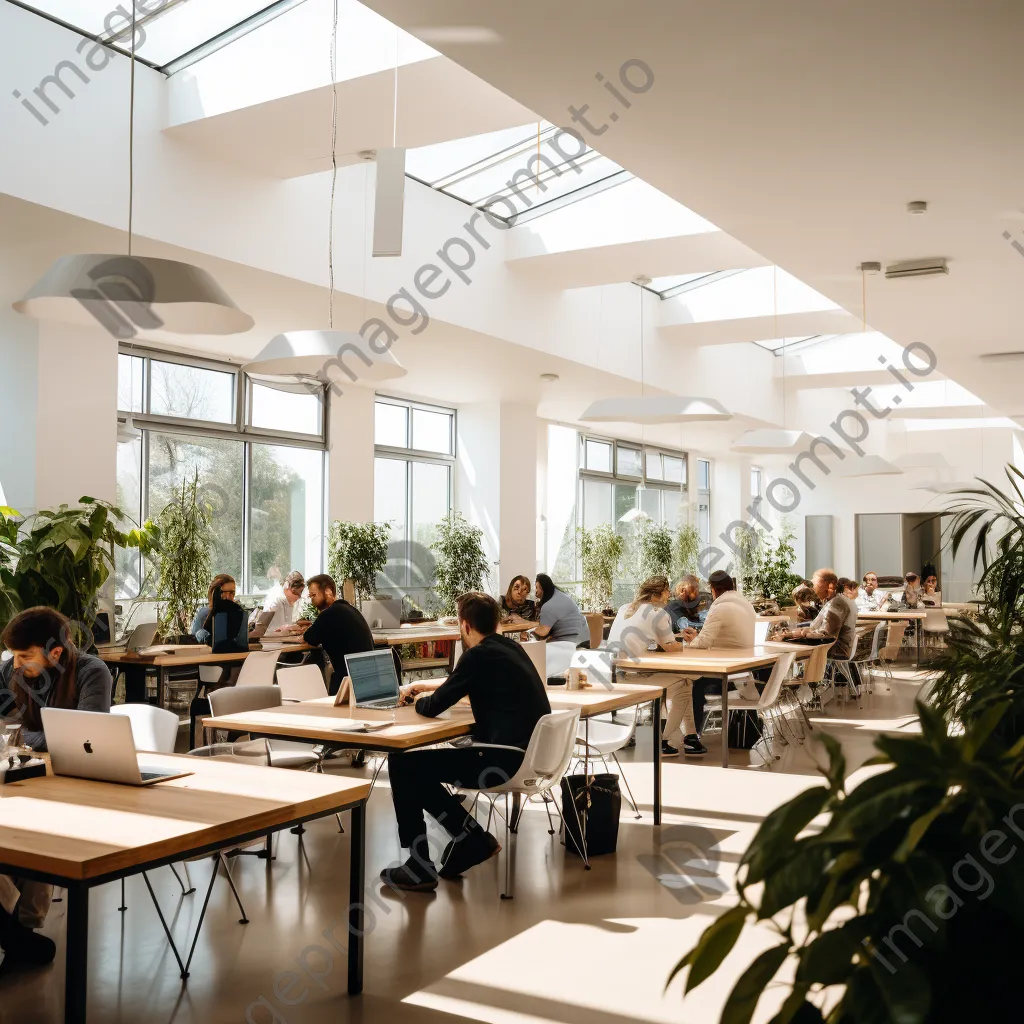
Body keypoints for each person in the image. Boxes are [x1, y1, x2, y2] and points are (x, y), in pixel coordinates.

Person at [381, 592, 551, 892]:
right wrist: (431, 690)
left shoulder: (478, 655)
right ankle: (469, 837)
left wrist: (418, 700)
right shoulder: (511, 648)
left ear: (465, 626)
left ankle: (422, 863)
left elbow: (434, 706)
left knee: (402, 762)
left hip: (502, 760)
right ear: (497, 622)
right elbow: (468, 684)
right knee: (418, 773)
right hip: (531, 757)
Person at [0, 607, 113, 943]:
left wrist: (23, 736)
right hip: (24, 777)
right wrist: (39, 735)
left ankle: (22, 929)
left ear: (56, 652)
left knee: (38, 822)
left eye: (25, 655)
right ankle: (16, 930)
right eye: (14, 655)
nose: (16, 664)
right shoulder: (9, 670)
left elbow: (84, 739)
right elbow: (5, 732)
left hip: (77, 785)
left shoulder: (92, 672)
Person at [608, 575, 705, 756]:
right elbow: (669, 647)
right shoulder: (658, 613)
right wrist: (686, 643)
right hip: (636, 678)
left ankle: (691, 737)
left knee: (681, 682)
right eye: (668, 592)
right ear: (660, 593)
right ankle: (665, 741)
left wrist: (672, 640)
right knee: (685, 684)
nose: (669, 596)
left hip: (614, 675)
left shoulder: (624, 608)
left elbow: (646, 638)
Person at [679, 570, 757, 734]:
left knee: (690, 682)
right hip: (743, 674)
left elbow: (704, 642)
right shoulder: (746, 605)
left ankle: (693, 734)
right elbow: (722, 638)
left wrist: (689, 642)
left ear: (713, 589)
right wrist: (698, 638)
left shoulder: (720, 607)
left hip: (725, 675)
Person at [302, 574, 374, 695]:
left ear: (328, 591)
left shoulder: (330, 613)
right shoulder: (350, 609)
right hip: (368, 679)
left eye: (314, 595)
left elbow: (309, 637)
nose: (312, 600)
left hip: (347, 682)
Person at [779, 568, 858, 660]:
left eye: (815, 585)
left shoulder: (836, 604)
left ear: (830, 585)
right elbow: (822, 628)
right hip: (831, 652)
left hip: (831, 655)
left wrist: (792, 636)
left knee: (781, 655)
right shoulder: (839, 600)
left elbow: (826, 636)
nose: (813, 589)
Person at [192, 574, 248, 653]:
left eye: (232, 593)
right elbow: (194, 637)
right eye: (223, 592)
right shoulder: (204, 612)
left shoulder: (239, 611)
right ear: (215, 593)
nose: (228, 597)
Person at [532, 573, 590, 647]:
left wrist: (530, 631)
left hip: (570, 643)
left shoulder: (548, 605)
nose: (536, 592)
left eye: (537, 588)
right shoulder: (561, 596)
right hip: (584, 638)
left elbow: (543, 632)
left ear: (543, 588)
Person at [255, 570, 306, 636]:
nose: (298, 597)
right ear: (287, 587)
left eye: (300, 593)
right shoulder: (276, 600)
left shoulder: (290, 601)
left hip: (283, 638)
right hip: (270, 639)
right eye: (296, 593)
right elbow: (261, 628)